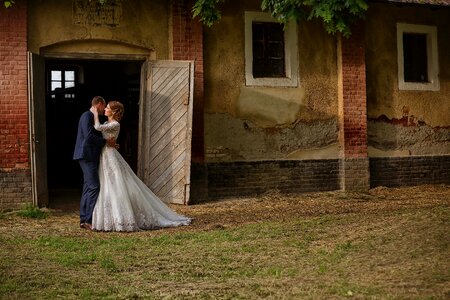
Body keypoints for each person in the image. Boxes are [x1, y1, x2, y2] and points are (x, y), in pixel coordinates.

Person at [89, 100, 192, 231]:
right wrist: (110, 142)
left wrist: (94, 114)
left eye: (107, 108)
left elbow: (97, 128)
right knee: (107, 182)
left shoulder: (115, 124)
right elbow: (104, 135)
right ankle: (111, 218)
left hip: (110, 155)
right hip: (106, 154)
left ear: (113, 112)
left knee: (116, 182)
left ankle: (123, 219)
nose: (105, 110)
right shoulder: (107, 123)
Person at [73, 96, 116, 231]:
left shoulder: (92, 116)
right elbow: (89, 136)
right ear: (99, 104)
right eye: (104, 106)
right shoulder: (87, 116)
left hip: (88, 155)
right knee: (94, 187)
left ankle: (83, 219)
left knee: (88, 187)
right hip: (86, 155)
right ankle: (87, 219)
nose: (104, 109)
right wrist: (105, 142)